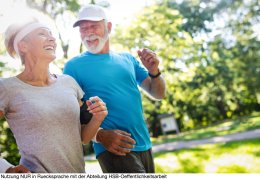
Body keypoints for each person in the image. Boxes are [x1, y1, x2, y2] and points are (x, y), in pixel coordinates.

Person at [64, 4, 166, 173]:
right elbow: (72, 116)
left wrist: (154, 72)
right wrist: (101, 136)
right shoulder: (73, 67)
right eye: (83, 29)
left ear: (109, 27)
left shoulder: (127, 59)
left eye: (94, 26)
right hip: (114, 148)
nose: (88, 32)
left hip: (144, 144)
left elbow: (158, 93)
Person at [0, 18, 108, 173]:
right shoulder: (7, 87)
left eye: (51, 34)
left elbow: (83, 137)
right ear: (23, 46)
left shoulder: (69, 83)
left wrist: (98, 117)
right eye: (42, 34)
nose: (52, 38)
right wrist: (6, 169)